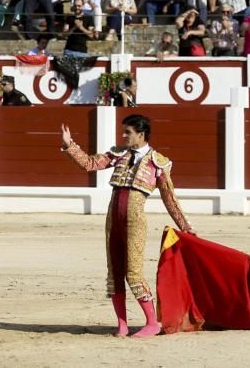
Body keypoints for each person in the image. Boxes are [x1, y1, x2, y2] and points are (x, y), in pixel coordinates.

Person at [59, 114, 194, 338]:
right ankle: (122, 325)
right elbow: (90, 164)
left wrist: (185, 225)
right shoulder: (118, 154)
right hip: (112, 221)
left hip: (135, 221)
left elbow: (169, 197)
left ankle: (152, 323)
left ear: (141, 134)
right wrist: (69, 145)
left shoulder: (157, 162)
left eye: (128, 133)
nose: (123, 136)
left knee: (133, 273)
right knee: (115, 273)